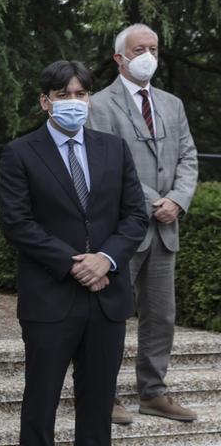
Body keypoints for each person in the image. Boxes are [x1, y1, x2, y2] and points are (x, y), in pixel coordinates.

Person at [0, 60, 148, 446]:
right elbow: (17, 223)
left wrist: (105, 259)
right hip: (51, 299)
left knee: (98, 402)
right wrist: (72, 263)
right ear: (45, 101)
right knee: (40, 405)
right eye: (64, 95)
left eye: (81, 95)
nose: (74, 103)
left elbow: (134, 216)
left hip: (107, 296)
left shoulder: (113, 149)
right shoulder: (21, 153)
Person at [85, 24, 199, 424]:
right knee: (111, 314)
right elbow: (108, 165)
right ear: (120, 58)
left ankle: (153, 392)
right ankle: (104, 394)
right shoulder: (98, 105)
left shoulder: (172, 103)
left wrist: (178, 201)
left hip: (166, 230)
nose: (148, 54)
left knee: (161, 315)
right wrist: (154, 201)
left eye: (153, 47)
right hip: (123, 230)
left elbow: (188, 157)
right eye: (139, 49)